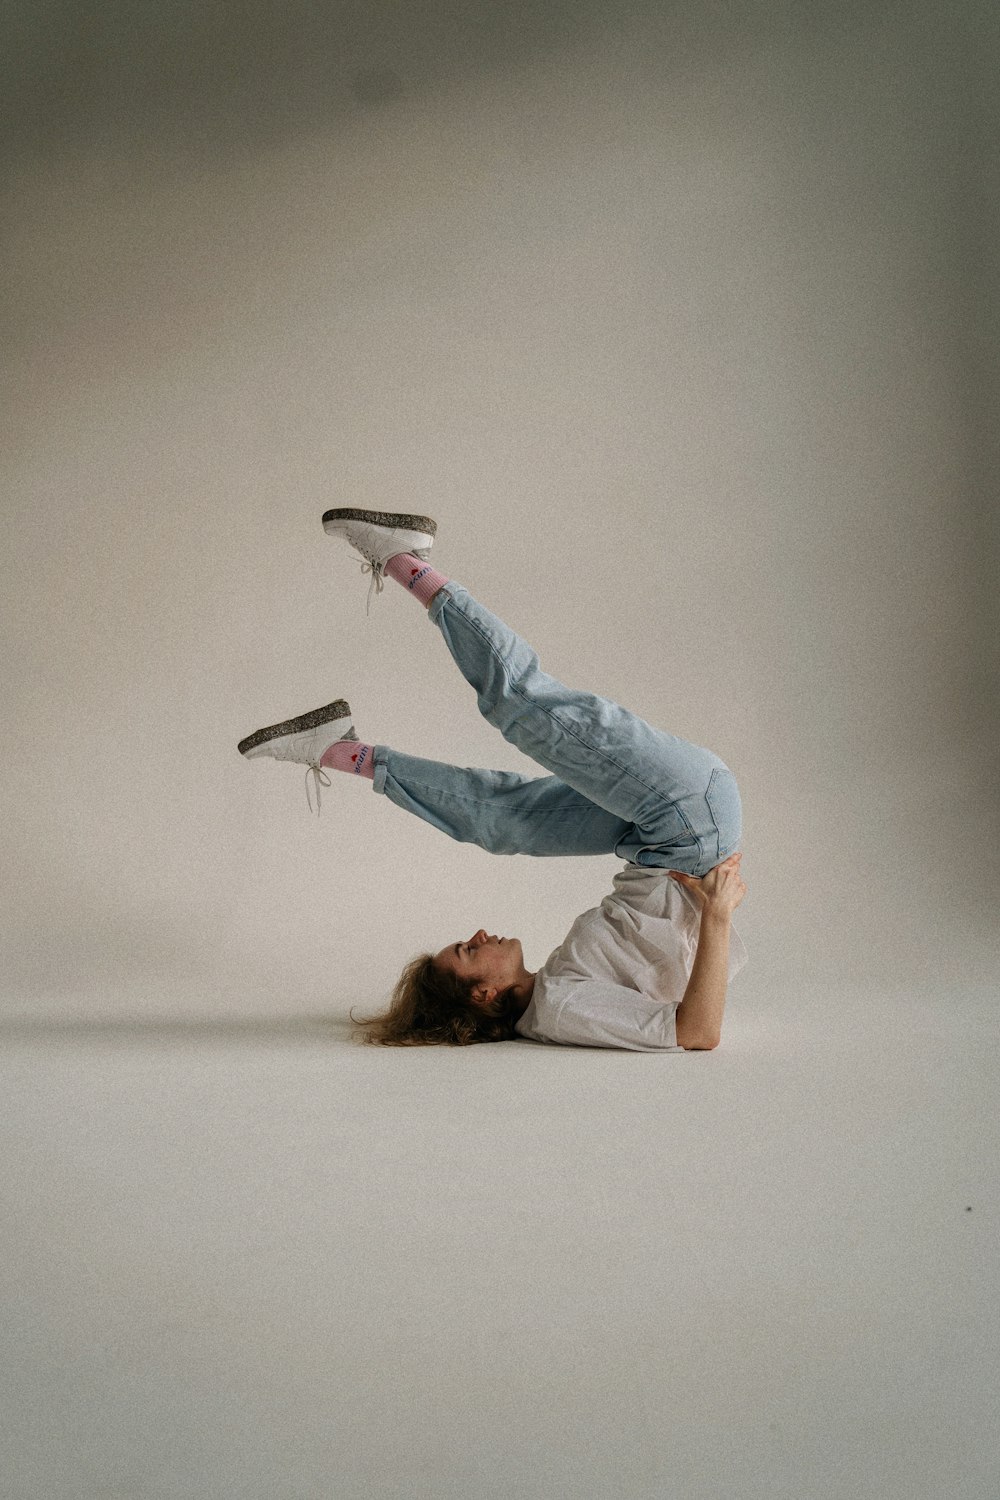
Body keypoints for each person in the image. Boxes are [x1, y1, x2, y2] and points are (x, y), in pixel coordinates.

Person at [239, 509, 748, 1050]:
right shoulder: (561, 1008)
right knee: (522, 704)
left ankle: (344, 751)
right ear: (482, 995)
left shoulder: (551, 993)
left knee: (505, 821)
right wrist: (715, 916)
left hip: (653, 839)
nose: (478, 934)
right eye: (467, 950)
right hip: (687, 823)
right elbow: (696, 1034)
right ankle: (404, 560)